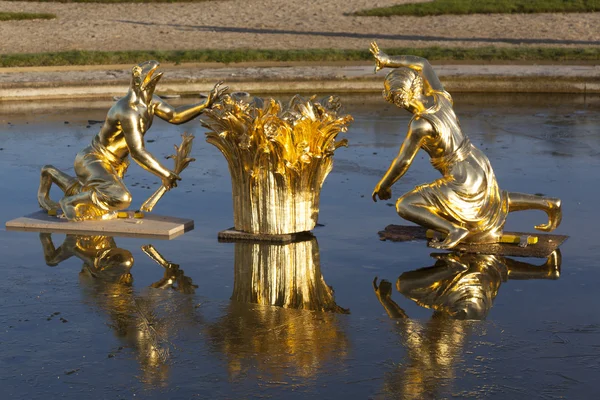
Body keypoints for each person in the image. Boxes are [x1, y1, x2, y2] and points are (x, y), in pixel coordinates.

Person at [369, 42, 562, 249]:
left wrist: (384, 186)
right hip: (477, 161)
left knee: (405, 205)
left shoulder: (420, 124)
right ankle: (548, 203)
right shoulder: (440, 98)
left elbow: (403, 161)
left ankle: (454, 230)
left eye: (394, 100)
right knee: (490, 200)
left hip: (460, 176)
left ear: (399, 99)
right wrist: (389, 60)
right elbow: (423, 64)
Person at [38, 60, 227, 221]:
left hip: (115, 164)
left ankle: (51, 173)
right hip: (95, 160)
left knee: (102, 199)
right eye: (149, 76)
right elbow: (137, 152)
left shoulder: (152, 102)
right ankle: (68, 202)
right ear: (139, 82)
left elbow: (175, 116)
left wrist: (205, 104)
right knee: (121, 198)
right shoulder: (128, 111)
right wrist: (164, 174)